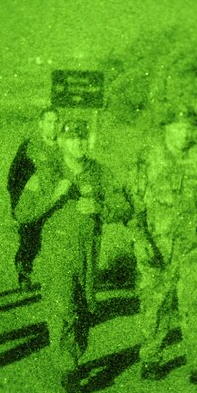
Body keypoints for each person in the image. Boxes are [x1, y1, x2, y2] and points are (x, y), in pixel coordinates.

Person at [13, 119, 131, 378]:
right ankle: (68, 368)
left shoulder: (99, 172)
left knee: (84, 311)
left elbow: (124, 206)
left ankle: (73, 355)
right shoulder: (47, 172)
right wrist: (54, 196)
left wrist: (101, 209)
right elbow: (22, 212)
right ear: (62, 143)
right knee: (62, 310)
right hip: (57, 256)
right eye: (72, 139)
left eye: (82, 138)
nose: (78, 143)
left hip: (88, 256)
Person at [130, 111, 197, 389]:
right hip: (157, 246)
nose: (184, 134)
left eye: (188, 129)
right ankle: (151, 358)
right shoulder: (149, 156)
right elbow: (133, 202)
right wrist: (140, 239)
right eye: (178, 128)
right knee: (155, 303)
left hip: (194, 246)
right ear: (166, 128)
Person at [7, 107, 63, 289]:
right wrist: (18, 203)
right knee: (30, 241)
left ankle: (57, 280)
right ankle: (24, 272)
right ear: (41, 124)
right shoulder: (29, 146)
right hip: (34, 203)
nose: (53, 126)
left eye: (56, 122)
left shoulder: (65, 146)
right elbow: (13, 177)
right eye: (49, 122)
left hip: (57, 203)